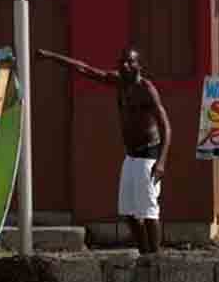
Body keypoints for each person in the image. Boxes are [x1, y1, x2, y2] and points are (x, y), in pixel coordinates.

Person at [38, 47, 171, 255]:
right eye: (122, 62)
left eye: (130, 62)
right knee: (128, 212)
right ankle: (145, 253)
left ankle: (155, 258)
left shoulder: (147, 89)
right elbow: (85, 69)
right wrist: (50, 57)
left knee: (149, 211)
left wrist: (161, 162)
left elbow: (166, 126)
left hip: (149, 156)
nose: (125, 66)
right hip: (131, 156)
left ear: (138, 65)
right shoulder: (119, 83)